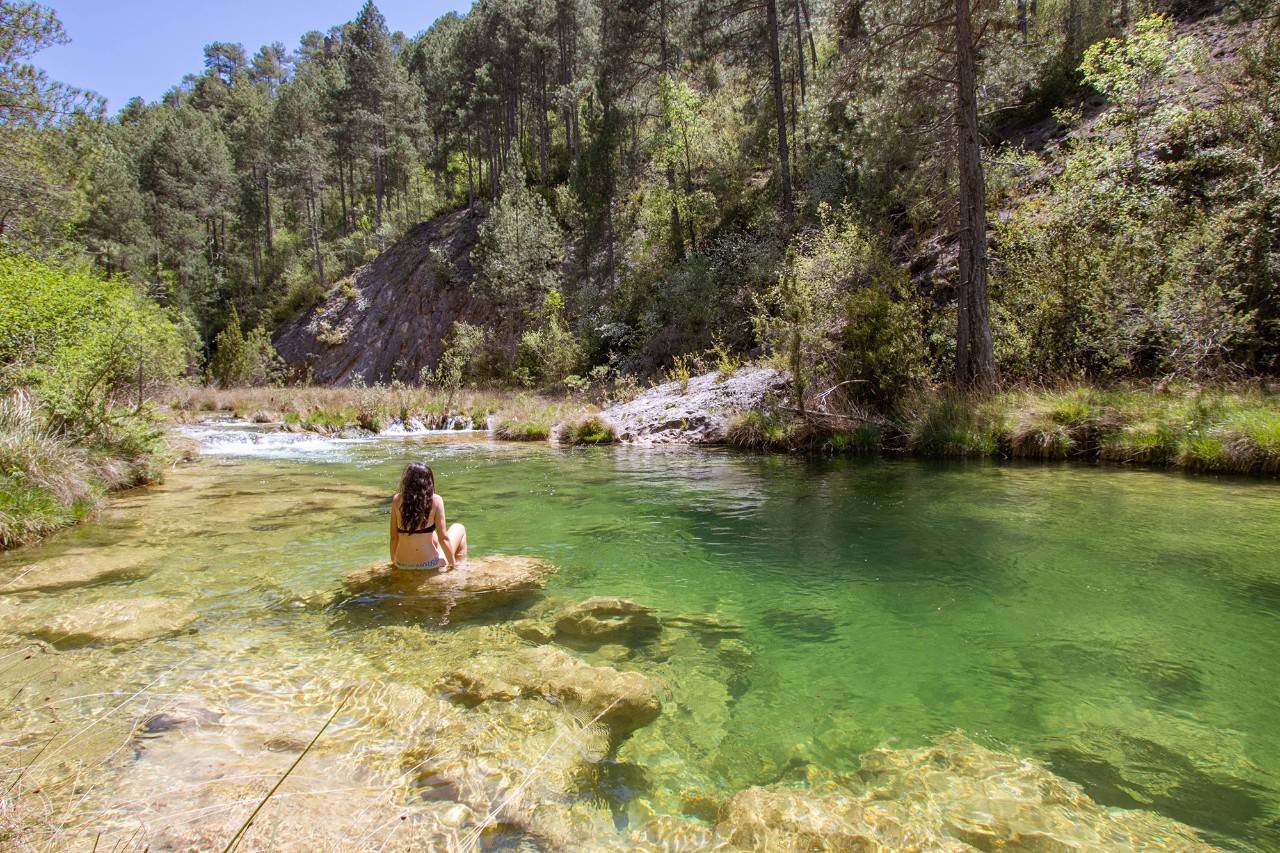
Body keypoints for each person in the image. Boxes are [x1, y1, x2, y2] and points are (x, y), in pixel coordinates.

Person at [390, 462, 467, 570]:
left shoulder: (396, 499)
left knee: (432, 535)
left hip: (402, 564)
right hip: (429, 564)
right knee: (459, 528)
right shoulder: (435, 500)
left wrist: (395, 563)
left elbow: (394, 538)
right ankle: (461, 565)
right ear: (428, 481)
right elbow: (444, 538)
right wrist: (452, 565)